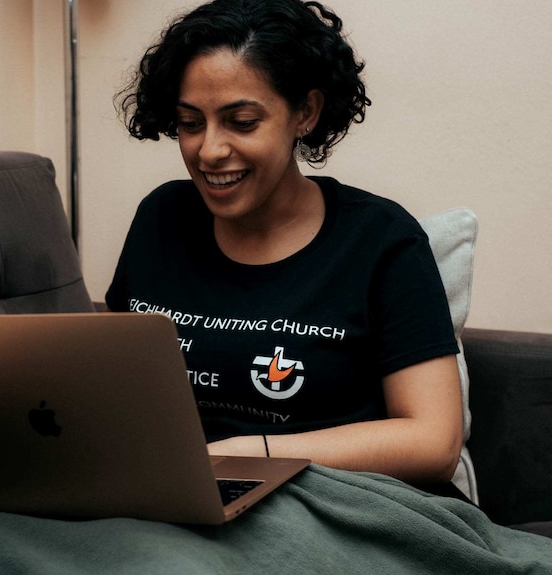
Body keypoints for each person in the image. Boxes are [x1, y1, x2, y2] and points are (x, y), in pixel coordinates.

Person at [106, 0, 464, 490]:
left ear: (305, 113)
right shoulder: (161, 217)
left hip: (332, 499)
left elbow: (433, 443)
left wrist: (255, 454)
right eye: (191, 123)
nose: (209, 150)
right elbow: (112, 379)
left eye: (242, 121)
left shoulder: (380, 239)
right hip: (178, 494)